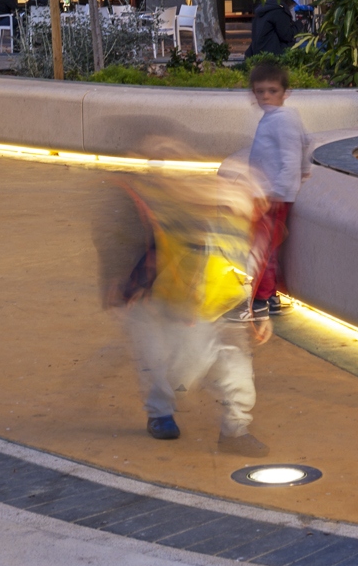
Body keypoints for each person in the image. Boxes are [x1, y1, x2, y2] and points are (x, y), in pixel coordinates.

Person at [98, 138, 274, 457]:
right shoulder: (181, 210)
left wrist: (259, 309)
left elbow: (255, 267)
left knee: (236, 372)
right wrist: (127, 287)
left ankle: (235, 430)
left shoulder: (251, 224)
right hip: (174, 305)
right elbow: (143, 244)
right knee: (169, 364)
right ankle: (161, 412)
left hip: (223, 308)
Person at [246, 60, 310, 317]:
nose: (265, 97)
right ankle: (270, 297)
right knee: (268, 248)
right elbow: (306, 142)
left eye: (272, 91)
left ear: (286, 93)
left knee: (261, 248)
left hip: (273, 197)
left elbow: (290, 156)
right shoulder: (275, 118)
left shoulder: (282, 119)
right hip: (268, 194)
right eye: (260, 91)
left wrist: (278, 193)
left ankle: (259, 302)